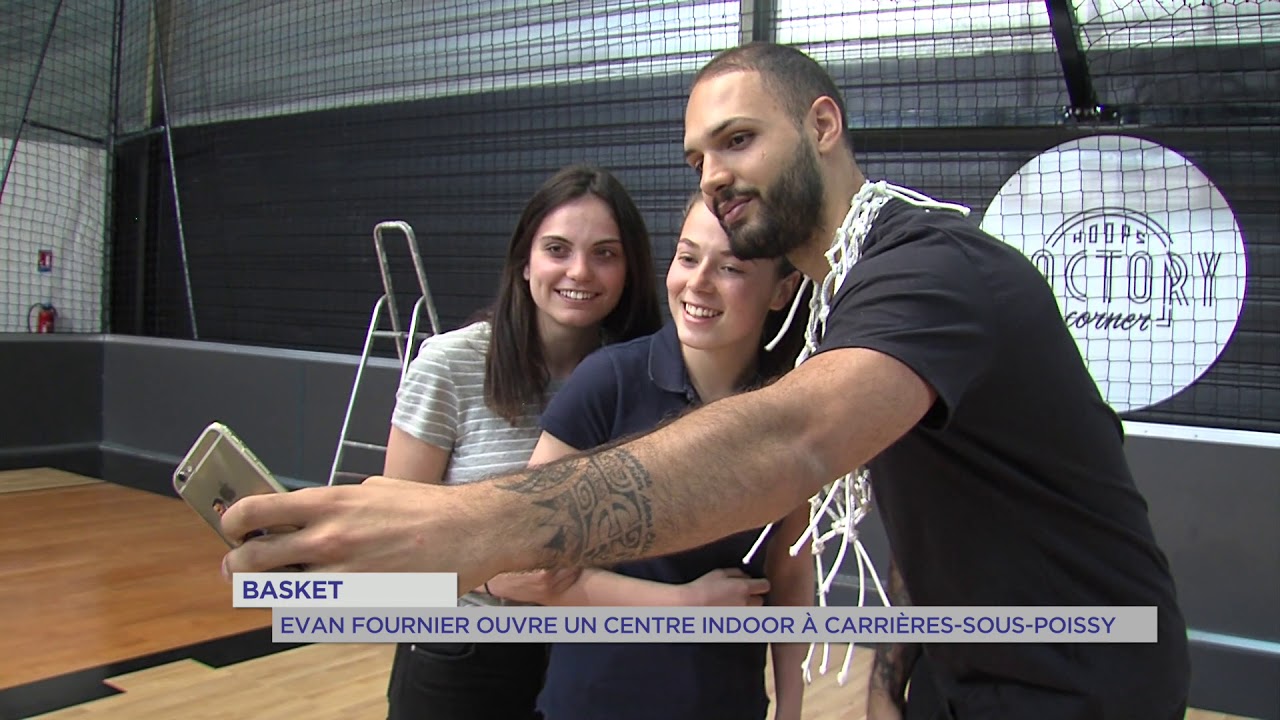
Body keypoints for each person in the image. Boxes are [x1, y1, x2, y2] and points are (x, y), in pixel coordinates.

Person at [221, 42, 1191, 720]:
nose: (713, 175)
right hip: (955, 673)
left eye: (736, 140)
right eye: (695, 159)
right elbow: (932, 497)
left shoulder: (932, 268)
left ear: (820, 123)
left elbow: (790, 444)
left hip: (1079, 677)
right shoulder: (829, 303)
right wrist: (903, 664)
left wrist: (454, 526)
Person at [489, 194, 812, 720]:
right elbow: (518, 568)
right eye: (687, 258)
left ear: (782, 289)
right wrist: (682, 607)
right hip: (597, 702)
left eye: (729, 267)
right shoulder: (608, 383)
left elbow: (791, 571)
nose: (698, 283)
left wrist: (791, 708)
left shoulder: (788, 404)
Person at [380, 164, 663, 720]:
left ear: (630, 268)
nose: (580, 271)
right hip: (464, 657)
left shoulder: (639, 374)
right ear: (524, 260)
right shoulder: (451, 364)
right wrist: (490, 573)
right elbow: (392, 547)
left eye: (605, 253)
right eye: (557, 249)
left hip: (592, 662)